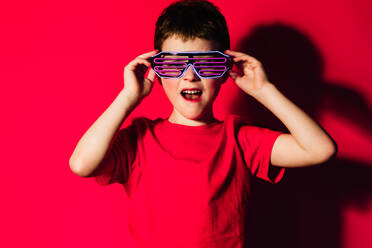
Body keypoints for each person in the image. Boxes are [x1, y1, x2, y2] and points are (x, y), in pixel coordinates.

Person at [69, 0, 337, 247]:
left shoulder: (238, 138)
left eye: (206, 64)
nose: (190, 76)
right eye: (174, 65)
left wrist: (264, 90)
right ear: (157, 72)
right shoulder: (140, 139)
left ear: (224, 72)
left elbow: (319, 149)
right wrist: (127, 97)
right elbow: (81, 164)